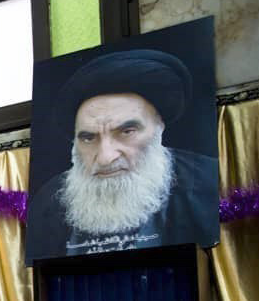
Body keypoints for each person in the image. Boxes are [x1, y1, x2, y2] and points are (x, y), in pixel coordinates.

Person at [28, 49, 219, 260]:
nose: (105, 158)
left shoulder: (207, 183)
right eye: (89, 138)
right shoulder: (49, 201)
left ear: (159, 126)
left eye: (127, 132)